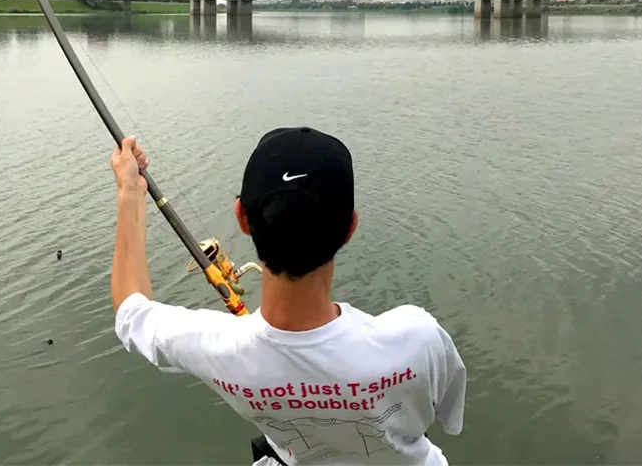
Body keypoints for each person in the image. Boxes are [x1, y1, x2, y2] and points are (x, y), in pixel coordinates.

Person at [111, 126, 467, 466]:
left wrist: (130, 191)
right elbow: (446, 413)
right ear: (350, 228)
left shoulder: (218, 348)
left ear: (242, 218)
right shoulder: (418, 337)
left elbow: (131, 313)